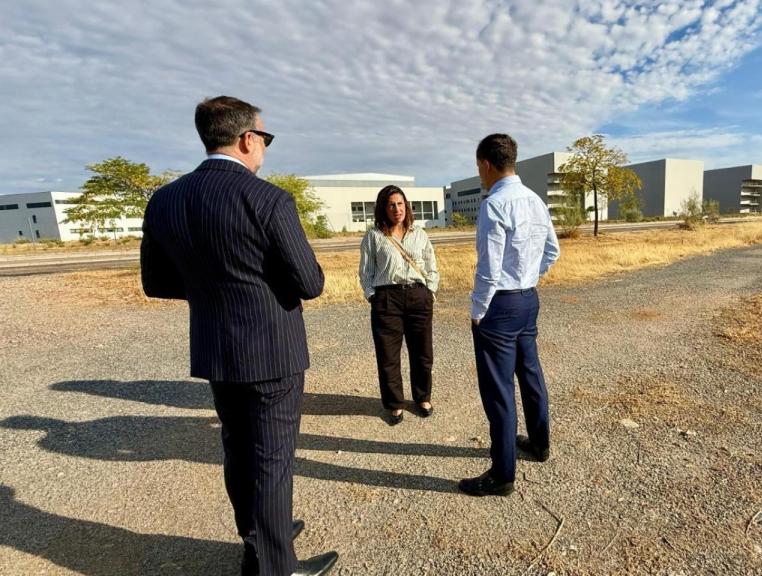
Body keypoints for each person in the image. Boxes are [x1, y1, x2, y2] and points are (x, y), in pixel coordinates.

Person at [140, 96, 338, 576]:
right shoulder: (267, 199)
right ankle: (275, 567)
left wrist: (211, 291)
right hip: (272, 349)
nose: (265, 147)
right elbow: (310, 282)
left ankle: (258, 538)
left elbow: (156, 282)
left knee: (239, 449)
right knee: (272, 459)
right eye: (264, 137)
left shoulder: (166, 199)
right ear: (248, 139)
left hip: (215, 347)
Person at [458, 134, 560, 497]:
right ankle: (539, 442)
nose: (480, 174)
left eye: (478, 167)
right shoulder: (534, 200)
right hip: (528, 299)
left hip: (500, 305)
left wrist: (478, 310)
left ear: (486, 164)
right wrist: (531, 276)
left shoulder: (495, 204)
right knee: (530, 373)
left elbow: (489, 268)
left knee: (499, 389)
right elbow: (553, 251)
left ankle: (502, 473)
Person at [358, 185, 439, 425]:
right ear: (383, 208)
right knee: (388, 356)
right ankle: (394, 403)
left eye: (401, 204)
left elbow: (431, 266)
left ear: (407, 206)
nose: (397, 209)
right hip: (387, 299)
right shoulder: (374, 236)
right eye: (392, 204)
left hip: (418, 297)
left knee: (423, 354)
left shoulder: (419, 234)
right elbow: (366, 272)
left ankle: (422, 397)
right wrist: (373, 296)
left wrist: (430, 292)